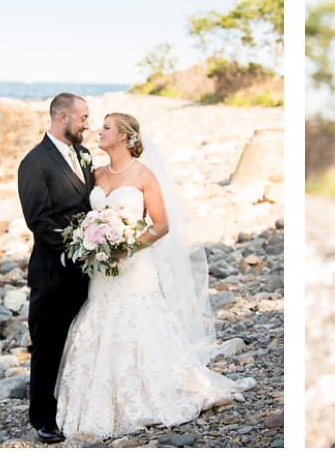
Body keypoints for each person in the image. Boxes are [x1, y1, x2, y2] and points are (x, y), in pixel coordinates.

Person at [54, 112, 254, 439]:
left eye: (106, 128)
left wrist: (128, 246)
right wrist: (87, 238)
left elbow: (161, 224)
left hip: (134, 268)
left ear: (123, 136)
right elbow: (84, 216)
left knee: (140, 322)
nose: (98, 132)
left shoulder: (144, 175)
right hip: (102, 271)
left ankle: (153, 392)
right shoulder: (96, 173)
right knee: (100, 321)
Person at [17, 93, 95, 444]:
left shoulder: (83, 155)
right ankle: (43, 419)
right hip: (53, 273)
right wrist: (81, 249)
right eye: (83, 118)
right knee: (47, 345)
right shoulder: (34, 163)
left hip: (89, 271)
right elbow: (39, 221)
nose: (87, 124)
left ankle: (76, 402)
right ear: (63, 117)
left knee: (82, 339)